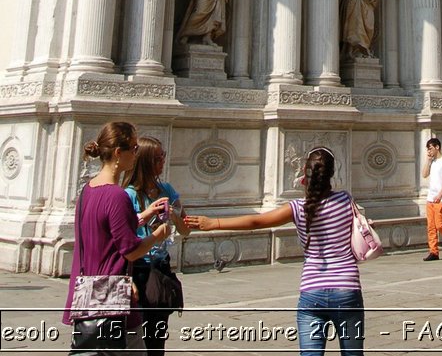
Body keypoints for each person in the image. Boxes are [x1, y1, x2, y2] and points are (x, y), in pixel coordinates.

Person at [186, 147, 365, 356]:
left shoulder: (298, 208)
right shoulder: (345, 200)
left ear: (304, 175)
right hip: (347, 289)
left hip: (311, 291)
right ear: (332, 174)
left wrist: (213, 223)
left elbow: (256, 221)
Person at [63, 122, 172, 352]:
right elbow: (131, 250)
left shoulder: (88, 189)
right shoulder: (117, 195)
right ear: (117, 153)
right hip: (112, 295)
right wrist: (157, 234)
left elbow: (108, 230)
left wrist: (144, 215)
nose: (136, 154)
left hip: (87, 292)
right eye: (133, 148)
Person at [125, 137, 190, 354]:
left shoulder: (167, 190)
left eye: (163, 156)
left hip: (160, 267)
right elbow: (123, 233)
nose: (163, 161)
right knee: (138, 330)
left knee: (157, 333)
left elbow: (185, 230)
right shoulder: (129, 195)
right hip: (138, 268)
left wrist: (174, 216)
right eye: (157, 158)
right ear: (144, 161)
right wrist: (147, 214)